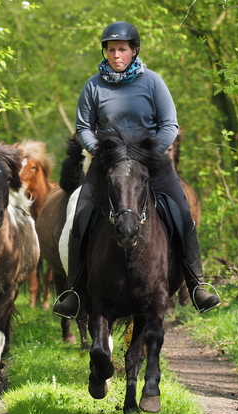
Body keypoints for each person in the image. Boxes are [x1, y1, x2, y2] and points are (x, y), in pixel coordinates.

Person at [53, 21, 220, 319]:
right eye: (111, 49)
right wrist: (101, 152)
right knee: (80, 214)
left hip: (151, 163)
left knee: (182, 212)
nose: (116, 55)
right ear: (105, 52)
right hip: (108, 164)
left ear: (134, 51)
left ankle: (196, 284)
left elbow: (170, 124)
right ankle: (76, 291)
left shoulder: (153, 82)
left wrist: (149, 154)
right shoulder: (93, 85)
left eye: (122, 49)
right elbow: (83, 127)